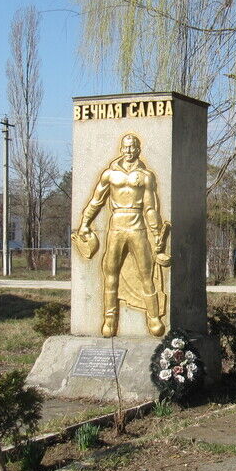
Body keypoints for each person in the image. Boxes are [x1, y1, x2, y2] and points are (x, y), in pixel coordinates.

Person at [74, 133, 170, 337]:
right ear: (121, 149)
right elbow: (96, 201)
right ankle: (110, 320)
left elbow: (150, 208)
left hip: (137, 227)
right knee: (110, 273)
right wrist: (84, 223)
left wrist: (156, 232)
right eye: (126, 147)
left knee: (146, 274)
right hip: (116, 227)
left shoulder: (146, 176)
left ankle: (153, 317)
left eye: (133, 147)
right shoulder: (109, 174)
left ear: (138, 149)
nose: (129, 151)